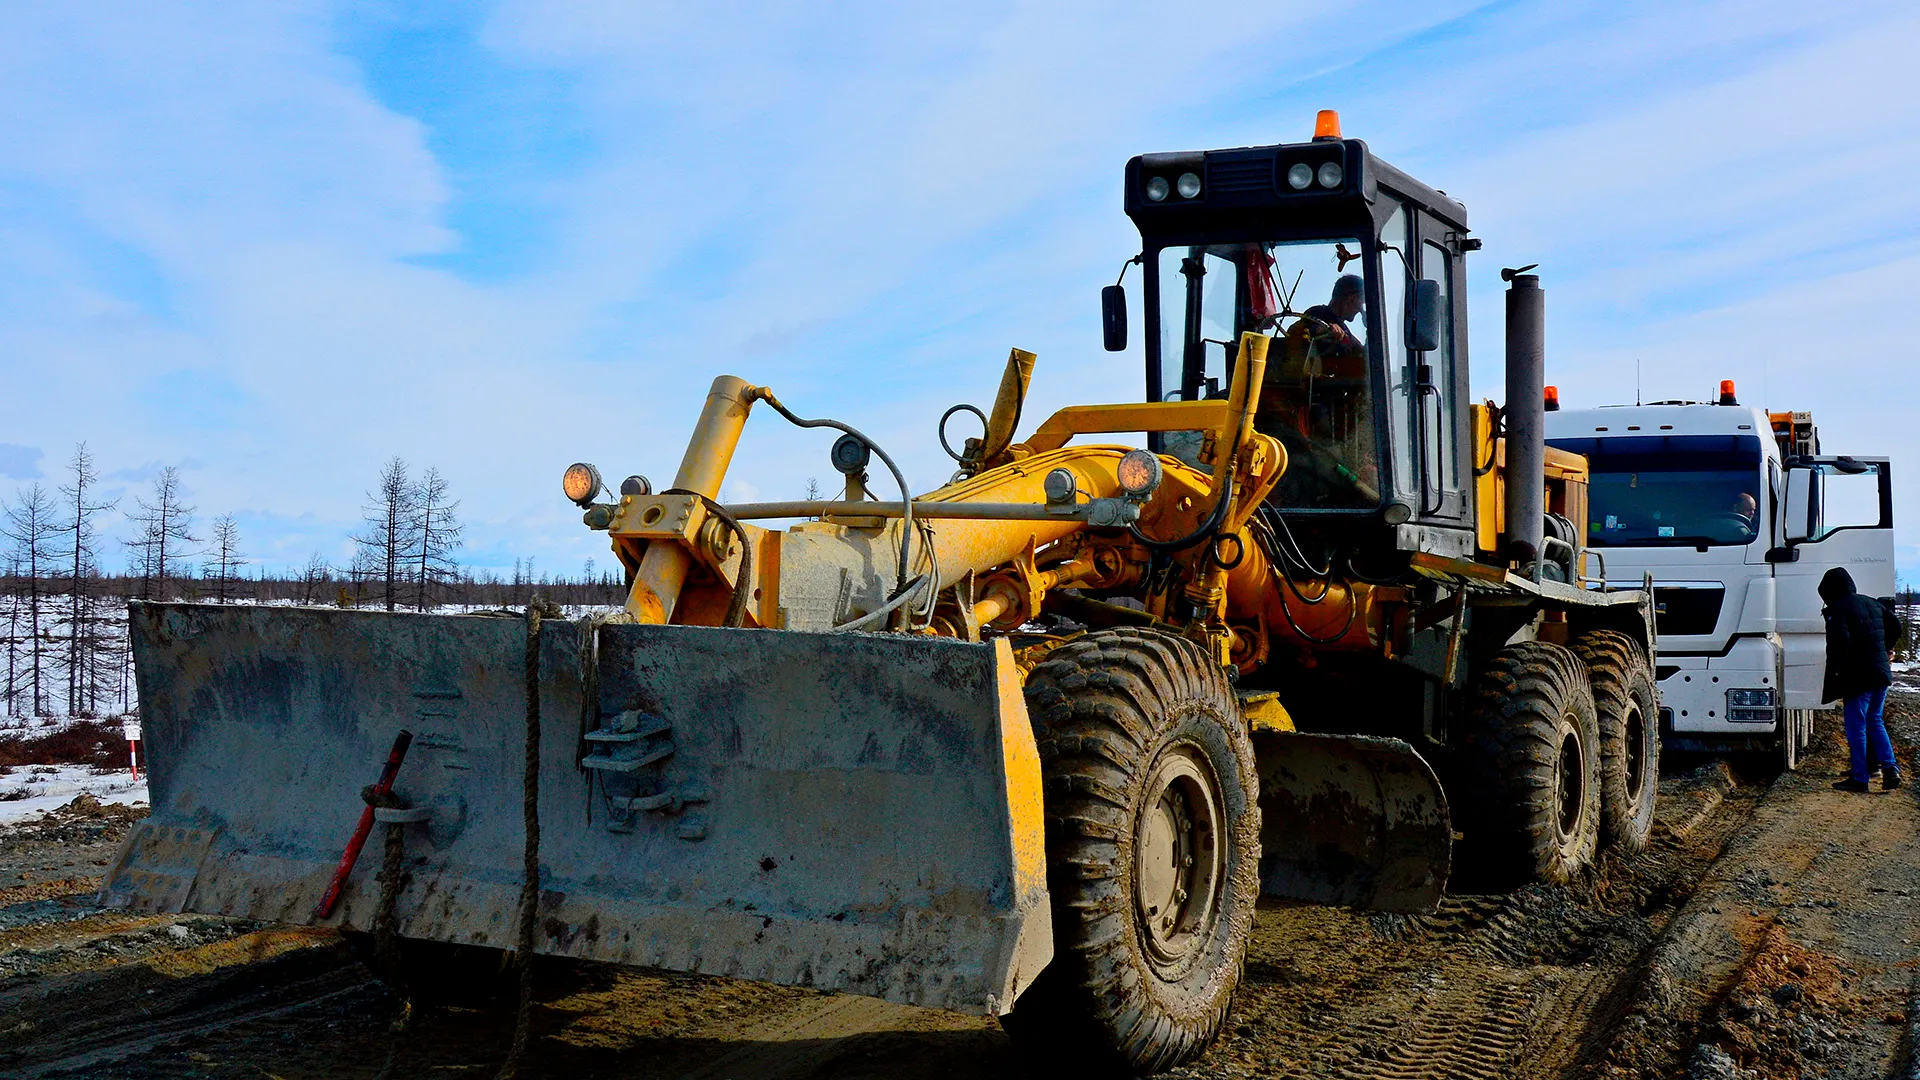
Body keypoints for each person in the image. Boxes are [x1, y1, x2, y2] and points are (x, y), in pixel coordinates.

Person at [1820, 567, 1905, 791]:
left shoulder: (1839, 609)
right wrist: (1886, 649)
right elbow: (1896, 625)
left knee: (1856, 726)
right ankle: (1890, 769)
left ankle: (1860, 778)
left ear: (1829, 591)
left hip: (1858, 677)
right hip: (1880, 672)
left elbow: (1839, 643)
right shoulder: (1871, 602)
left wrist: (1838, 672)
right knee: (1875, 720)